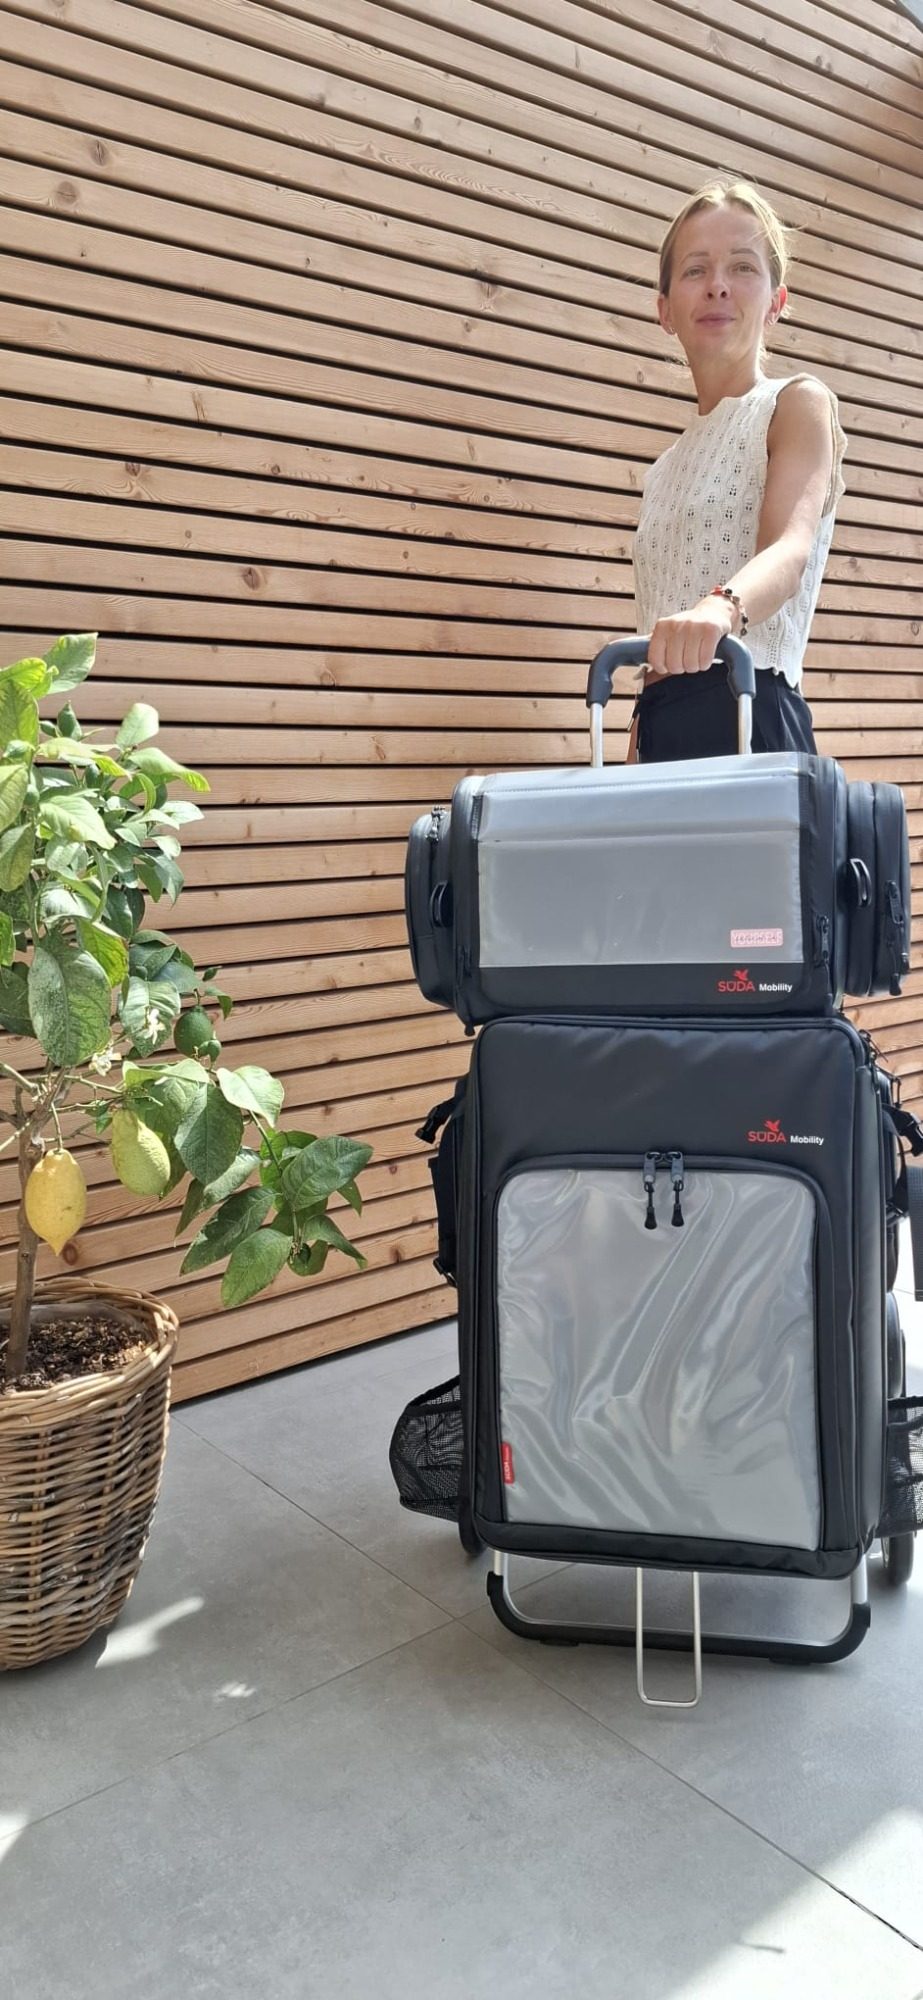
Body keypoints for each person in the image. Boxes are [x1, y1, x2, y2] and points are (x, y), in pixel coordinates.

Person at [629, 179, 847, 763]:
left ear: (776, 301)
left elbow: (789, 550)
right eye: (695, 270)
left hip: (753, 711)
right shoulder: (662, 472)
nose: (718, 285)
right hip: (661, 731)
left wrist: (720, 607)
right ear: (665, 310)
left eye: (743, 267)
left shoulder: (796, 404)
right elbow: (656, 644)